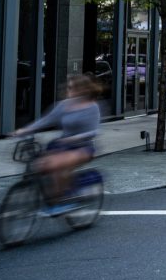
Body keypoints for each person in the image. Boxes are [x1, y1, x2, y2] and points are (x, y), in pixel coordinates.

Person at [14, 75, 101, 210]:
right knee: (40, 165)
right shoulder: (64, 105)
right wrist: (24, 130)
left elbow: (94, 132)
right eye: (68, 86)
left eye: (71, 87)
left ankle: (61, 199)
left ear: (81, 89)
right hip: (63, 145)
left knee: (57, 164)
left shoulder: (92, 107)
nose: (68, 89)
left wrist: (75, 138)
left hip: (83, 148)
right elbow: (46, 120)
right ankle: (54, 195)